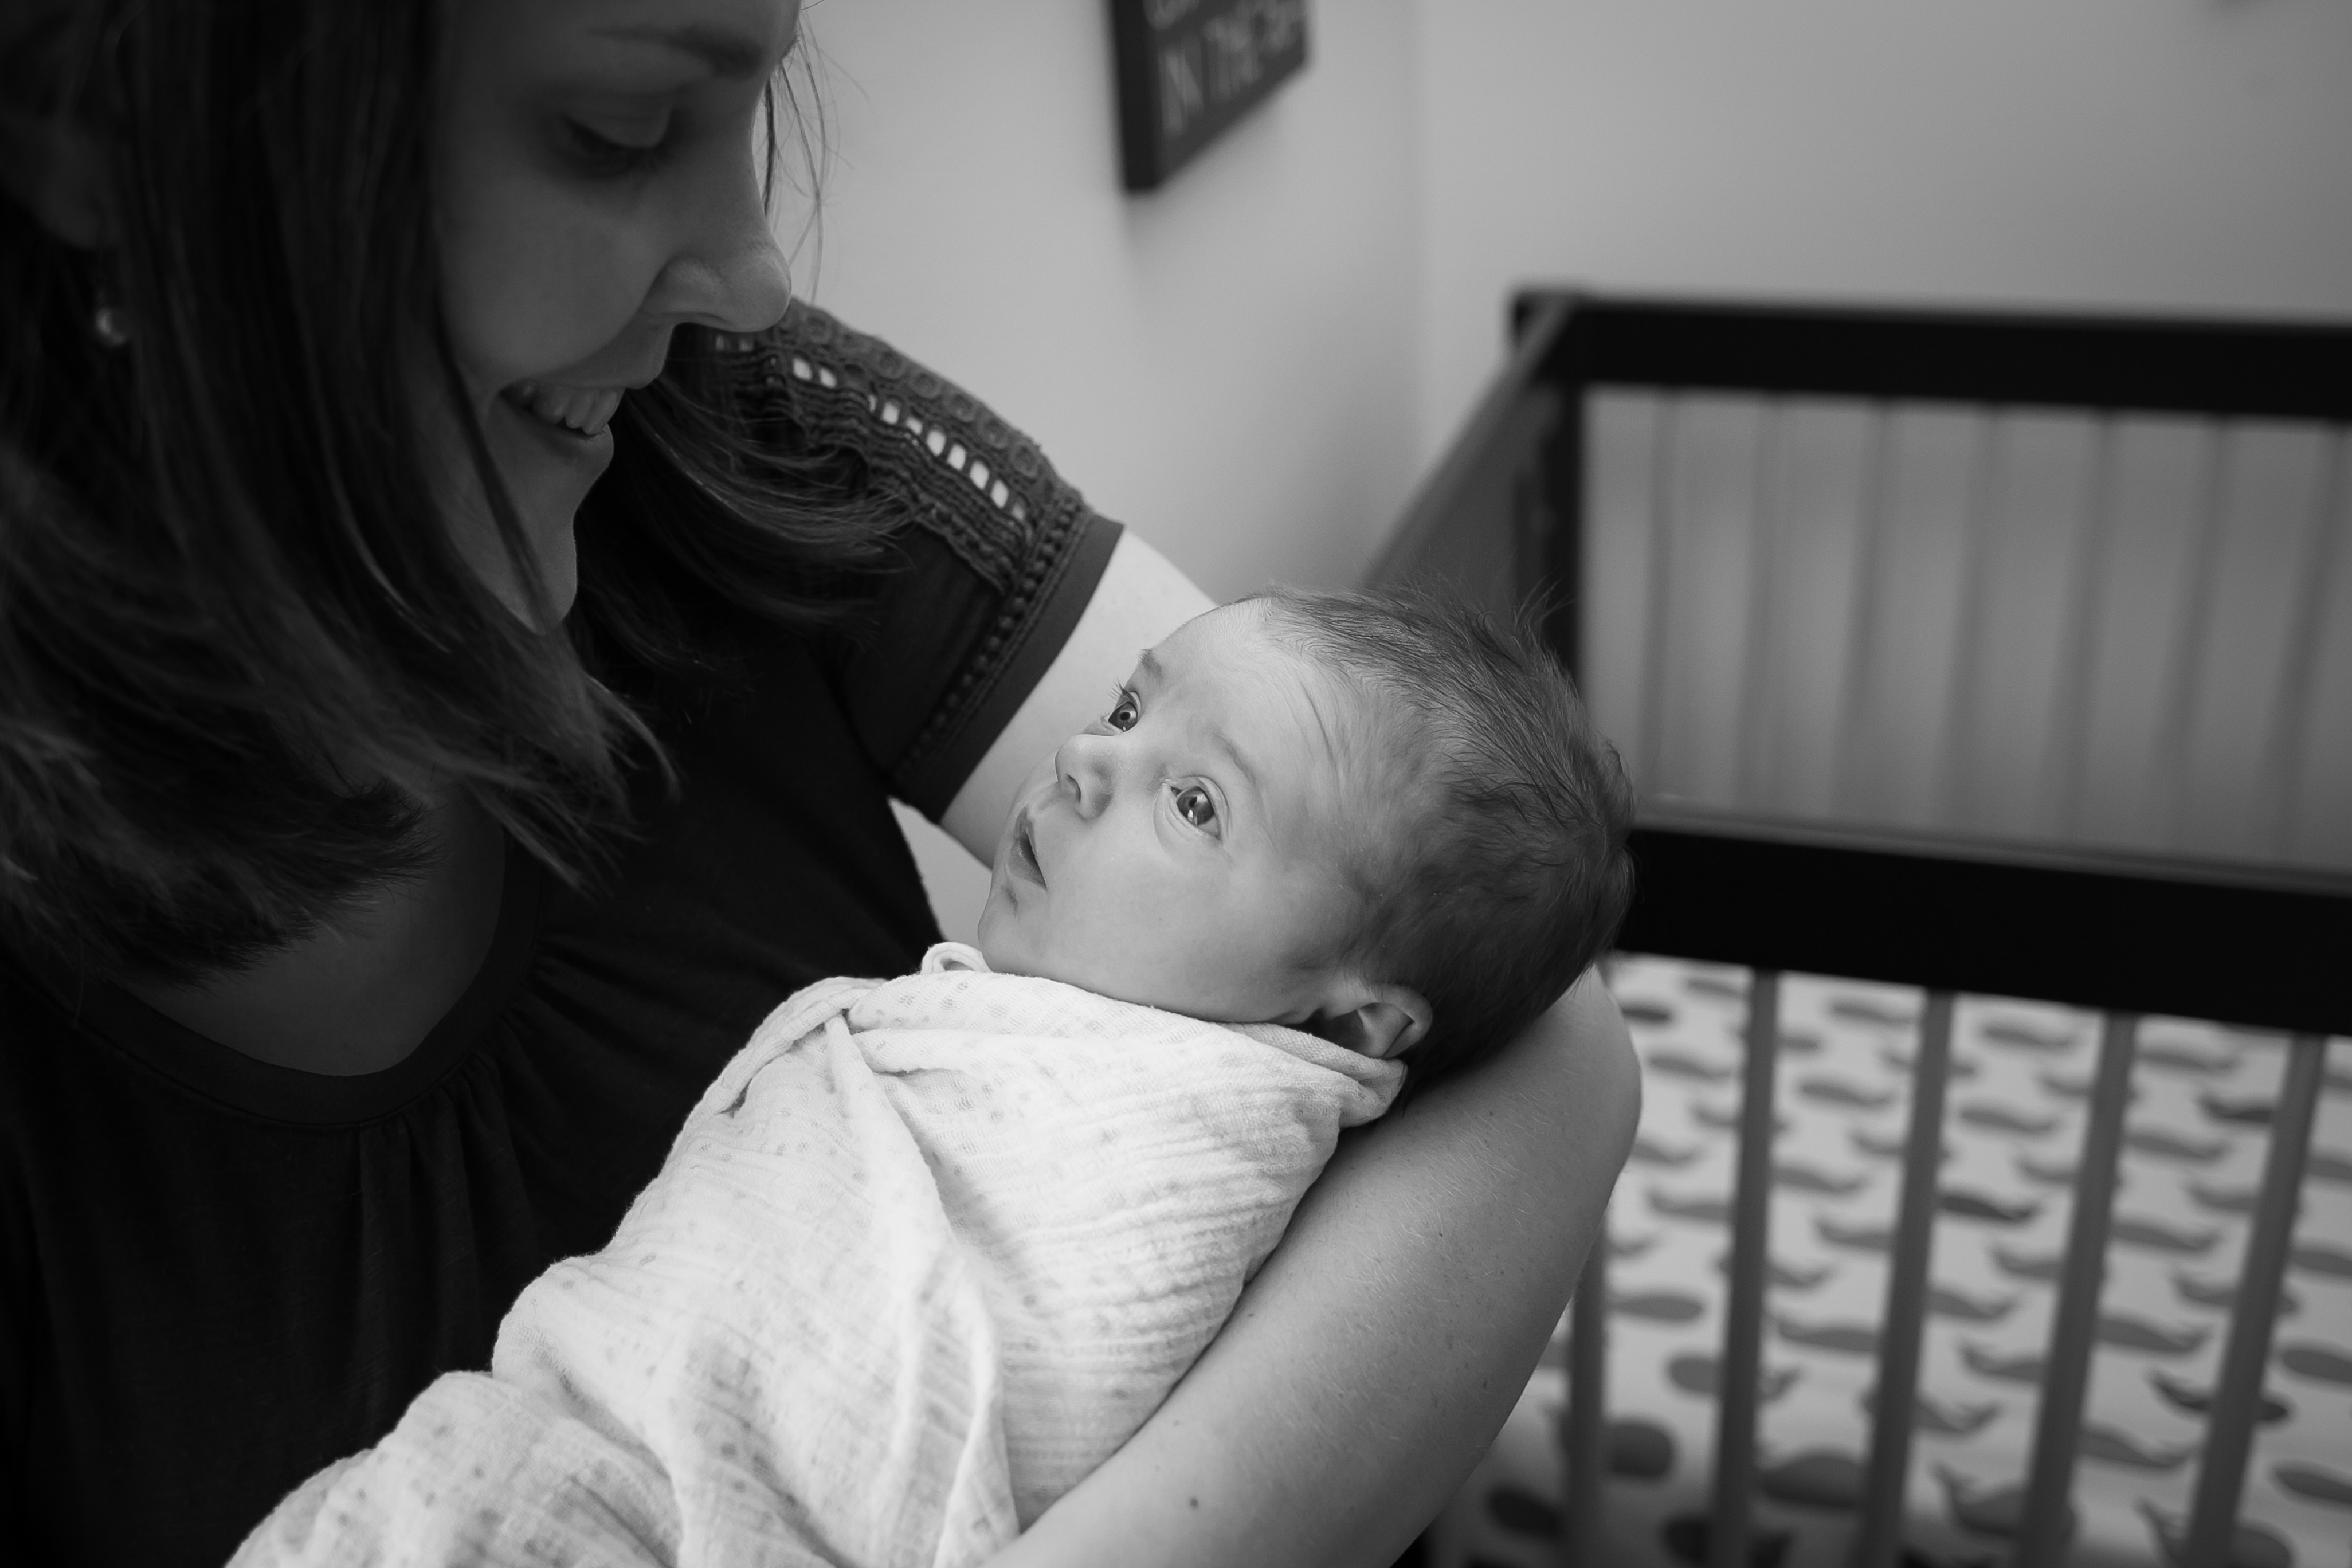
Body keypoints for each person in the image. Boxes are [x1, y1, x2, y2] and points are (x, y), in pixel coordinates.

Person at [0, 2, 1640, 1564]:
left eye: (751, 103)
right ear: (106, 124)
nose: (755, 275)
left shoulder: (745, 434)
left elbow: (1543, 1042)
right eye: (618, 127)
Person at [230, 589, 1637, 1567]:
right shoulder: (1026, 1033)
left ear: (1359, 1021)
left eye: (1196, 802)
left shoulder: (1182, 1143)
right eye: (1129, 707)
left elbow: (1003, 1371)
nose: (1087, 760)